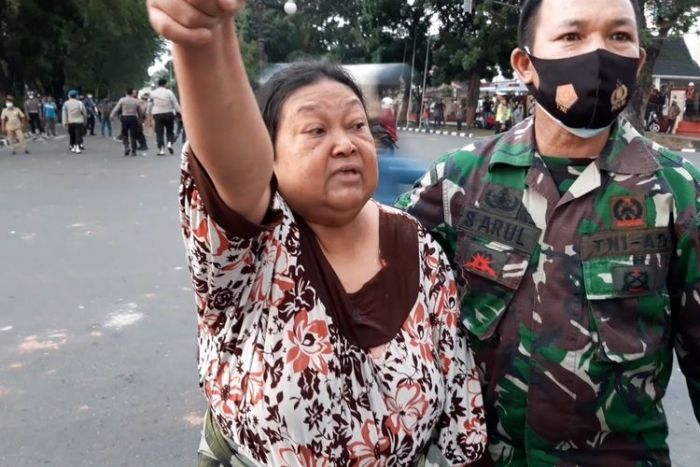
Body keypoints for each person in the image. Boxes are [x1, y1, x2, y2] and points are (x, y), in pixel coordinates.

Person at [146, 1, 487, 466]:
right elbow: (232, 164)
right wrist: (205, 33)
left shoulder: (418, 245)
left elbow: (459, 403)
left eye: (356, 125)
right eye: (316, 129)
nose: (345, 143)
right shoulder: (252, 251)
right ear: (270, 155)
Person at [398, 0, 700, 465]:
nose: (599, 55)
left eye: (619, 37)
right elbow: (374, 279)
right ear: (526, 65)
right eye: (571, 36)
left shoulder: (677, 191)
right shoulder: (459, 180)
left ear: (639, 62)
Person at [149, 78, 181, 155]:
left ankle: (161, 150)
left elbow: (149, 104)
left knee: (159, 132)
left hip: (157, 114)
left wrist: (147, 113)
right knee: (170, 130)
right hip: (168, 113)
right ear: (165, 84)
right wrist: (179, 112)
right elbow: (175, 103)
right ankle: (169, 143)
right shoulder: (169, 92)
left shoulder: (153, 93)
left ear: (158, 84)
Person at [110, 89, 143, 156]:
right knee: (133, 135)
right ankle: (134, 151)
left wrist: (112, 115)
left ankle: (127, 147)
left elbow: (116, 108)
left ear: (126, 93)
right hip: (133, 118)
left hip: (125, 118)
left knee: (125, 134)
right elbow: (140, 111)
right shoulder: (136, 101)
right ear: (132, 93)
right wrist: (140, 119)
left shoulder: (122, 100)